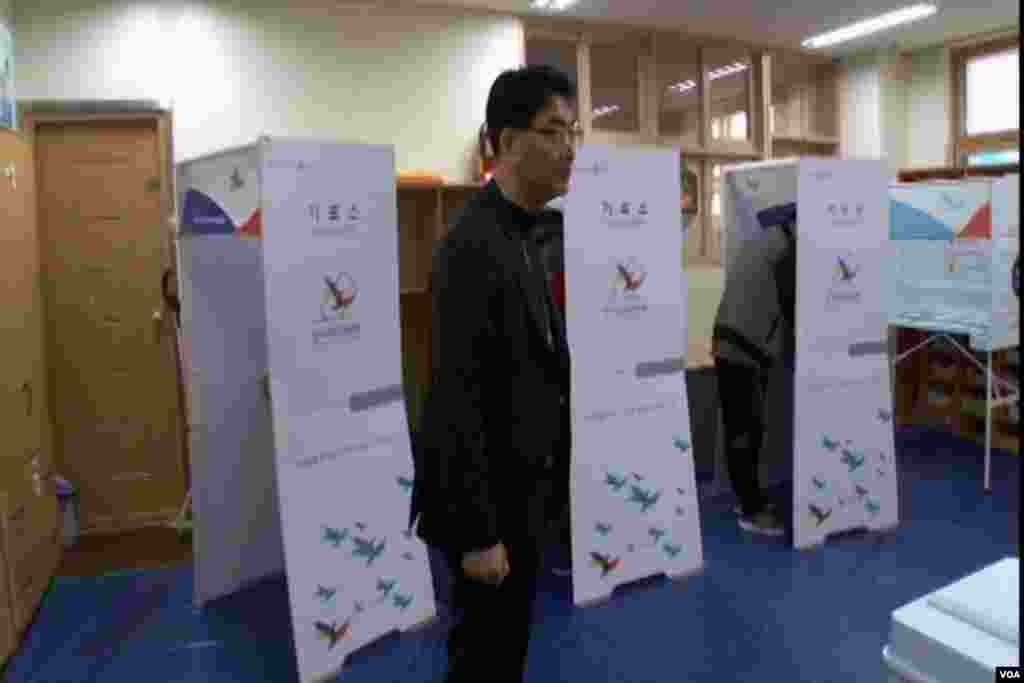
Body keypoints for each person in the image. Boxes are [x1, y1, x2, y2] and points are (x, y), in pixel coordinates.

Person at [409, 64, 576, 683]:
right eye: (553, 132)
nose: (570, 148)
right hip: (490, 512)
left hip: (525, 499)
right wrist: (479, 535)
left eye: (573, 131)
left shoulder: (528, 236)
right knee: (482, 660)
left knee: (504, 655)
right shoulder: (471, 246)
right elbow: (454, 398)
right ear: (506, 142)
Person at [711, 202, 796, 537]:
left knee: (742, 427)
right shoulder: (786, 249)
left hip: (732, 342)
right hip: (744, 347)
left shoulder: (767, 240)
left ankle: (747, 499)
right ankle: (751, 509)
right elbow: (793, 306)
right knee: (746, 429)